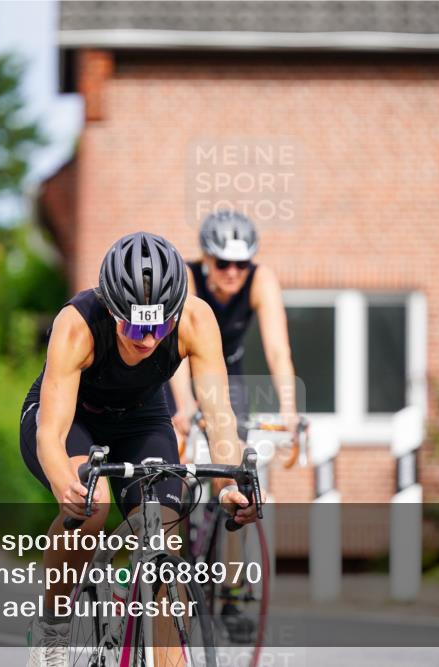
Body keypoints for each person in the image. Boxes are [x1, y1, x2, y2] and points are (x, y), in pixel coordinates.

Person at [20, 231, 256, 667]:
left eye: (159, 325)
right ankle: (53, 625)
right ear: (111, 309)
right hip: (75, 418)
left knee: (164, 528)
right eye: (135, 326)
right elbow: (50, 435)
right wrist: (63, 483)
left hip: (142, 417)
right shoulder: (77, 324)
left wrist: (229, 484)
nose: (148, 340)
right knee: (90, 510)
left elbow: (220, 418)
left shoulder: (195, 320)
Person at [168, 209, 299, 444]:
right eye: (222, 263)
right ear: (206, 257)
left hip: (227, 371)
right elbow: (178, 342)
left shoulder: (261, 279)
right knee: (174, 448)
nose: (232, 272)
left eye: (242, 264)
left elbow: (278, 351)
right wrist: (185, 402)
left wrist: (288, 408)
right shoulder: (187, 276)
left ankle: (225, 482)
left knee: (232, 453)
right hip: (180, 366)